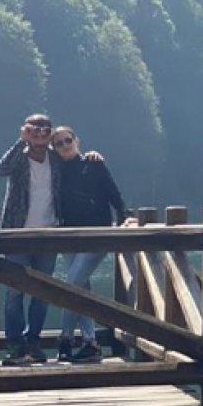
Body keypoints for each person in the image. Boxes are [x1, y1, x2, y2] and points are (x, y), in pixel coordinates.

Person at [52, 126, 128, 363]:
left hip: (97, 234)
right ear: (54, 149)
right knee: (81, 287)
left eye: (68, 140)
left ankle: (65, 338)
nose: (65, 146)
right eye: (59, 143)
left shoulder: (94, 163)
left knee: (72, 284)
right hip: (68, 237)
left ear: (77, 140)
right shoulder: (53, 170)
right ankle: (90, 342)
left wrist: (125, 216)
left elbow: (113, 194)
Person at [0, 113, 61, 366]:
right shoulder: (19, 158)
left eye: (45, 128)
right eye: (35, 128)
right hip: (17, 234)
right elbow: (1, 169)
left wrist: (93, 156)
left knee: (42, 292)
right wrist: (19, 142)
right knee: (14, 292)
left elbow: (76, 164)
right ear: (25, 130)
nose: (40, 133)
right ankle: (15, 345)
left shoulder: (56, 159)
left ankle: (33, 341)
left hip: (49, 233)